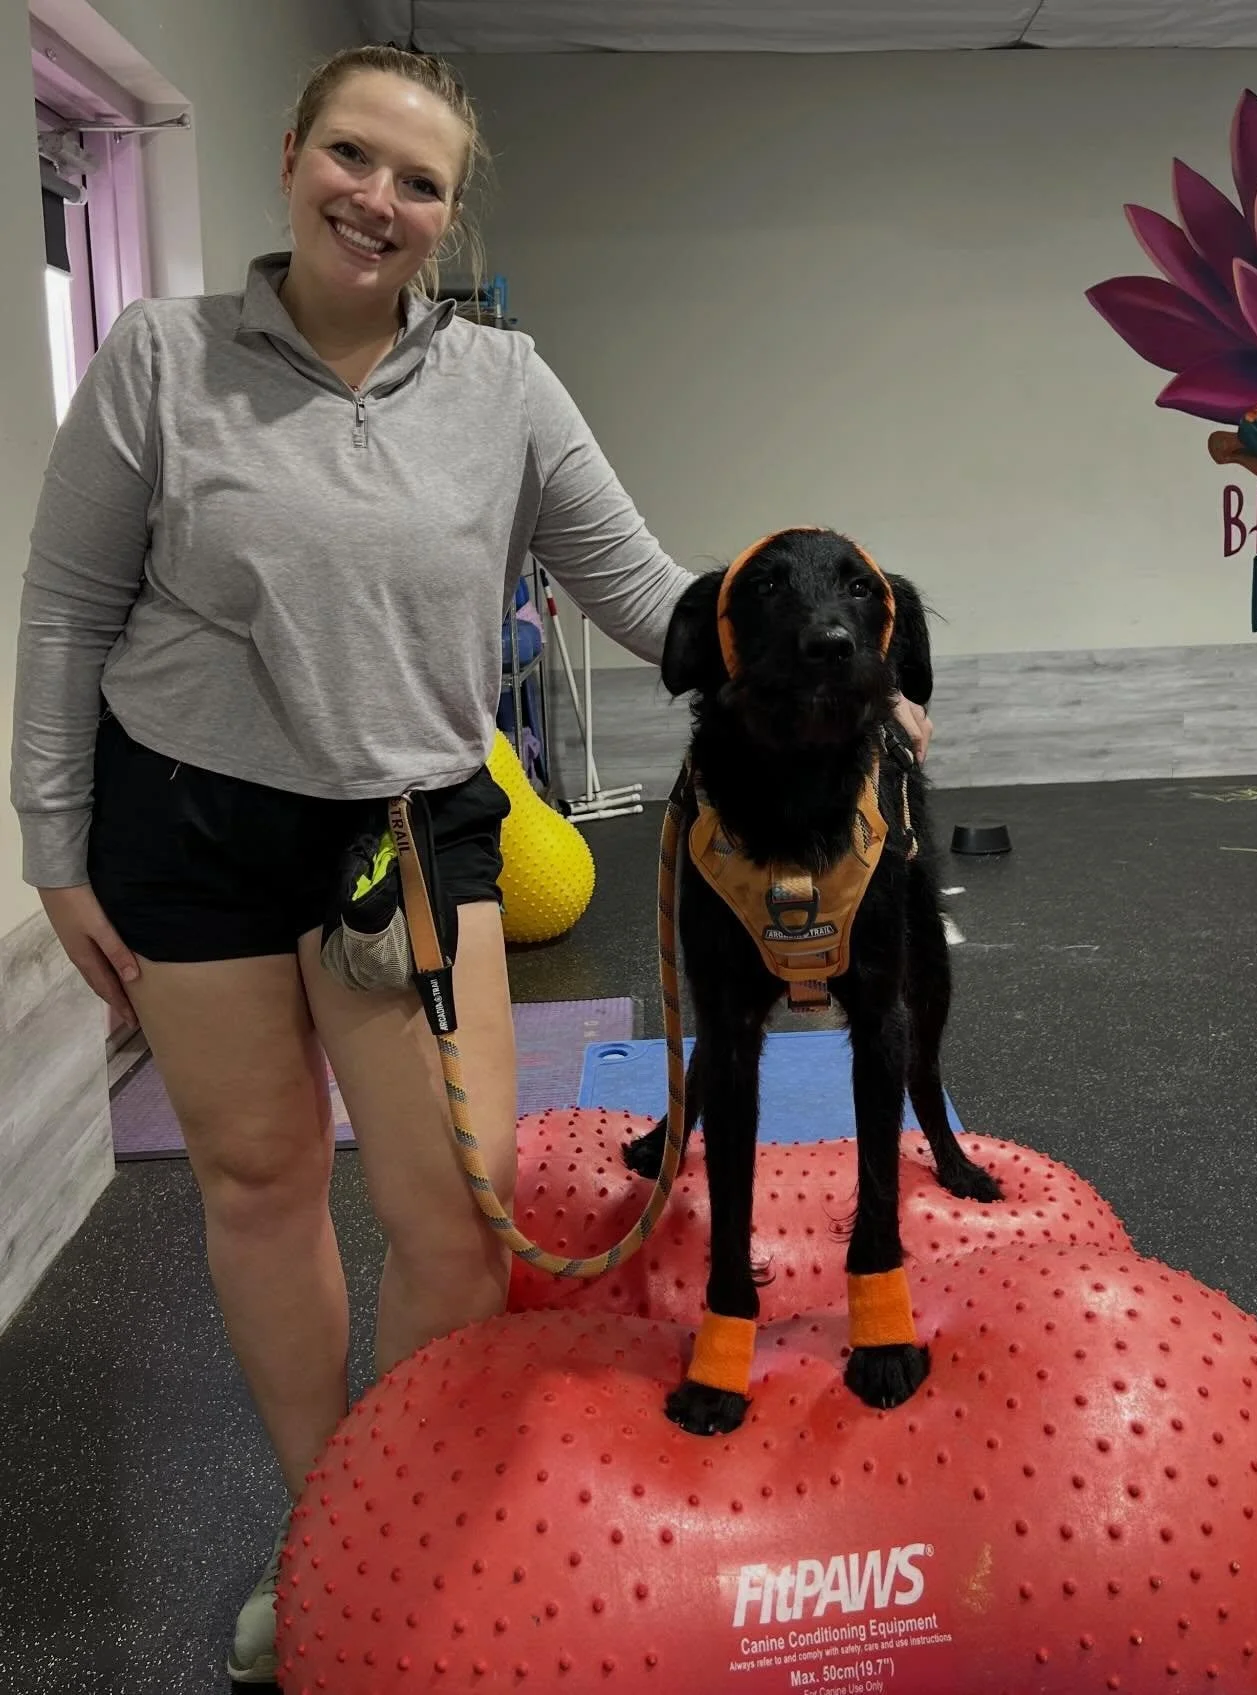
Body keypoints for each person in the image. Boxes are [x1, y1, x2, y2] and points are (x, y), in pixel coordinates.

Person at [8, 42, 934, 1685]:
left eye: (418, 180)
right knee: (261, 1179)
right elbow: (71, 607)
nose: (379, 197)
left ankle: (406, 1505)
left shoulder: (504, 387)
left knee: (452, 1212)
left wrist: (842, 648)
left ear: (445, 215)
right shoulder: (162, 358)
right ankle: (328, 1535)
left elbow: (656, 598)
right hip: (191, 818)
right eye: (353, 157)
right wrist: (55, 844)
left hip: (411, 828)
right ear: (292, 154)